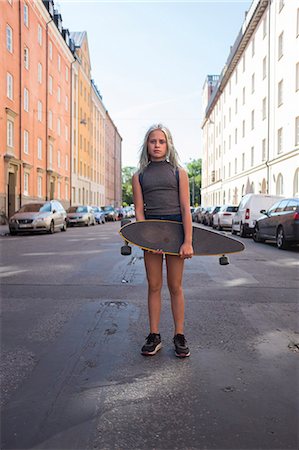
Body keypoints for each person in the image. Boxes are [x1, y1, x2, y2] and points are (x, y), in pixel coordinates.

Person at [132, 124, 193, 358]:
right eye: (152, 141)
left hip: (176, 233)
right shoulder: (139, 175)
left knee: (175, 286)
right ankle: (154, 335)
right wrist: (147, 239)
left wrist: (187, 241)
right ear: (146, 145)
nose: (157, 145)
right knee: (154, 285)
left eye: (161, 141)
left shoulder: (179, 172)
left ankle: (179, 335)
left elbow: (186, 209)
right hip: (152, 233)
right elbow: (139, 210)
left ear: (168, 145)